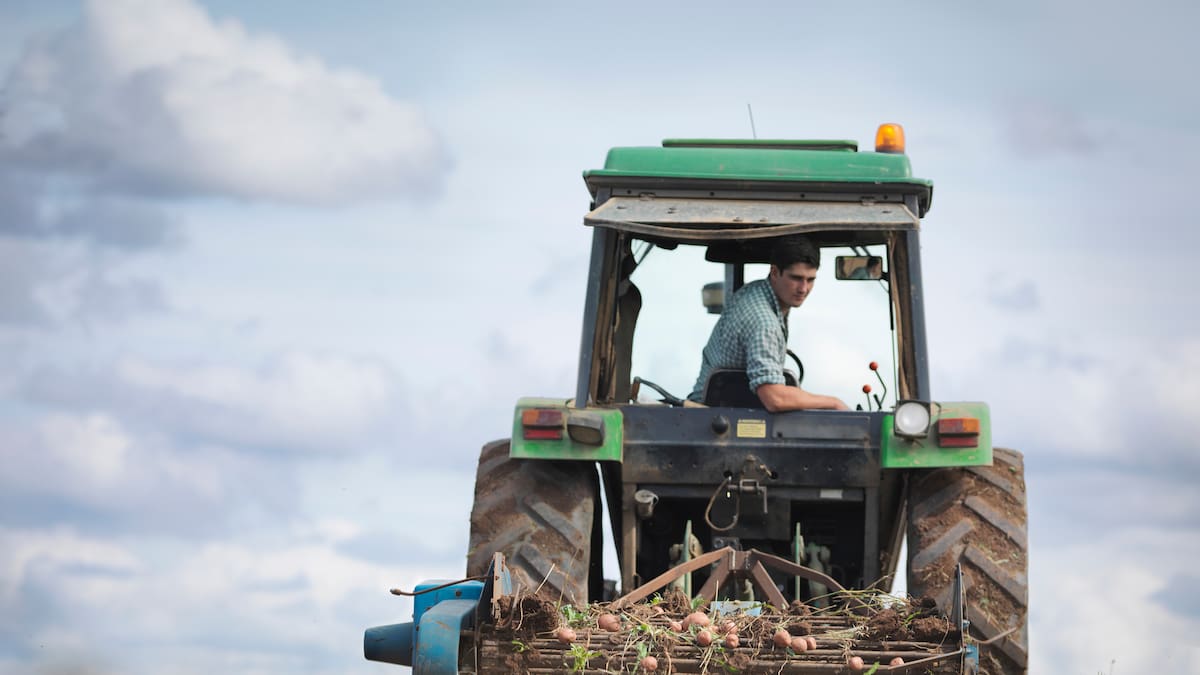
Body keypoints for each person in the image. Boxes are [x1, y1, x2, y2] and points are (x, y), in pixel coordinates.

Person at [688, 235, 849, 412]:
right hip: (710, 420)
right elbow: (774, 398)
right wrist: (834, 403)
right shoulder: (764, 323)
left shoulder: (755, 291)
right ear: (774, 272)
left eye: (810, 280)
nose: (803, 289)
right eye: (796, 278)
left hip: (725, 414)